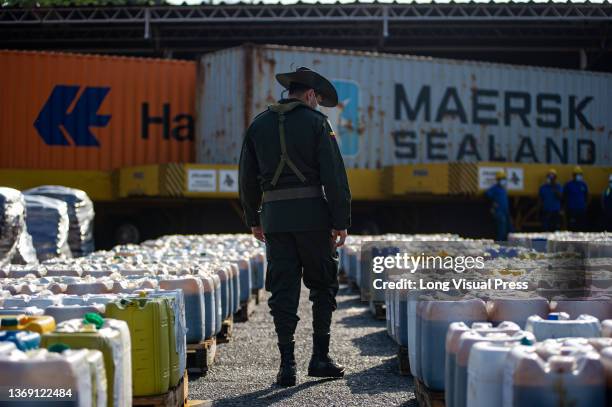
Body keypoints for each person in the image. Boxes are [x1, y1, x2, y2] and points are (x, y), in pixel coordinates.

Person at [238, 67, 351, 387]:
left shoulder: (258, 124)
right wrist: (340, 220)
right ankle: (319, 358)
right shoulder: (317, 123)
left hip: (276, 220)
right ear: (311, 95)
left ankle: (286, 366)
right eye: (318, 99)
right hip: (314, 219)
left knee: (283, 291)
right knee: (323, 285)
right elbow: (335, 177)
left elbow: (246, 177)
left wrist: (254, 219)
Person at [485, 170, 512, 241]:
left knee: (509, 229)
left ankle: (506, 244)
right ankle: (499, 245)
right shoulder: (494, 188)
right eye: (501, 179)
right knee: (501, 231)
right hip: (499, 212)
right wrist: (494, 201)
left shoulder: (503, 189)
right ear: (498, 180)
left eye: (504, 179)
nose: (503, 181)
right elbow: (487, 194)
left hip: (505, 211)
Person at [564, 166, 589, 231]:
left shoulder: (583, 185)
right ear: (573, 175)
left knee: (582, 227)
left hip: (581, 209)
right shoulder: (569, 185)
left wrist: (585, 205)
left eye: (579, 174)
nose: (578, 176)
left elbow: (586, 196)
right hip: (572, 210)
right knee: (572, 227)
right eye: (576, 174)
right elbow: (565, 196)